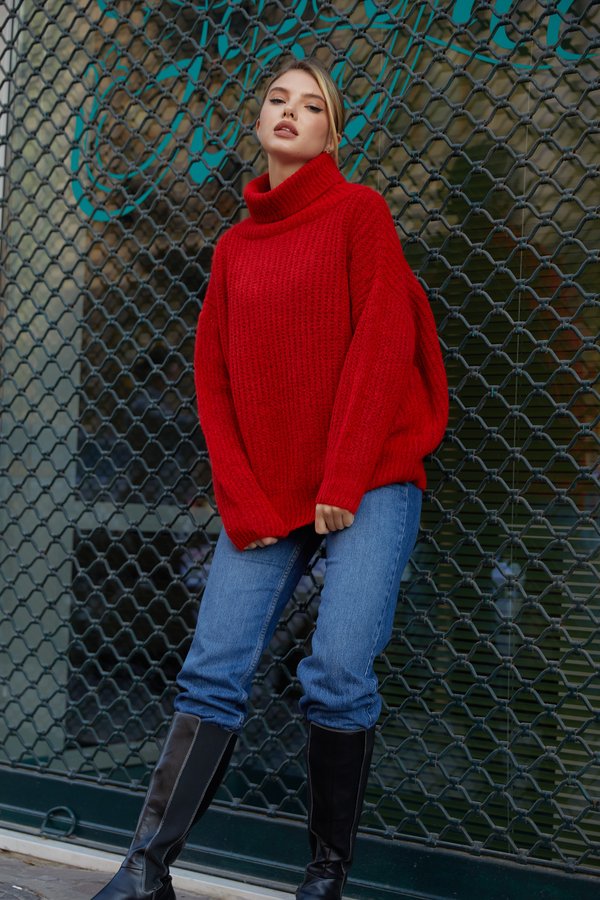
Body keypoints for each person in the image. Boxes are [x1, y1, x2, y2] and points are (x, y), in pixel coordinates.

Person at [92, 57, 449, 900]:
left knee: (337, 670)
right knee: (211, 669)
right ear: (257, 124)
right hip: (270, 488)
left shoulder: (359, 213)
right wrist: (243, 498)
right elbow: (212, 380)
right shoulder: (234, 247)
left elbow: (383, 344)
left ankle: (324, 878)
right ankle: (146, 870)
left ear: (332, 134)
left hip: (368, 478)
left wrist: (343, 477)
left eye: (311, 105)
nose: (290, 112)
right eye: (277, 100)